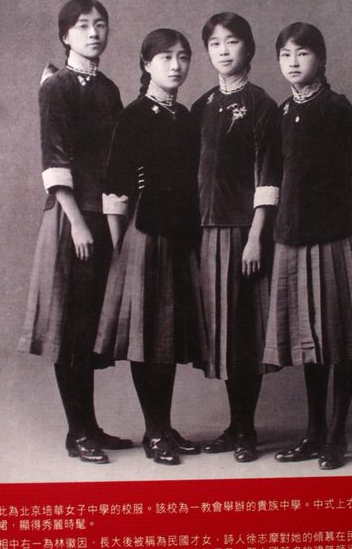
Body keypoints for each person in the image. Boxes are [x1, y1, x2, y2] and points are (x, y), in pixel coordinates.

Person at [264, 22, 352, 469]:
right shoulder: (282, 113)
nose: (293, 63)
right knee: (309, 339)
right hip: (293, 241)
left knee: (339, 340)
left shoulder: (338, 110)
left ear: (320, 58)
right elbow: (275, 179)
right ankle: (314, 433)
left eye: (302, 54)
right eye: (285, 55)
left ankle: (336, 436)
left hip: (338, 240)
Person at [19, 0, 132, 464]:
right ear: (66, 35)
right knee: (71, 324)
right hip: (71, 220)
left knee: (90, 325)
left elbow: (117, 161)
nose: (93, 33)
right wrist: (78, 222)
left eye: (100, 25)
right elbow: (55, 157)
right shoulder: (57, 87)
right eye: (83, 26)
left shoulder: (108, 89)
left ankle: (92, 427)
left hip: (102, 217)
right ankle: (76, 433)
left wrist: (115, 220)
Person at [95, 28, 204, 466]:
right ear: (146, 65)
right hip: (144, 234)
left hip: (181, 237)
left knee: (169, 335)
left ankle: (165, 425)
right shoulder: (135, 115)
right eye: (164, 58)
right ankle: (153, 430)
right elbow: (116, 182)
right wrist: (120, 244)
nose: (175, 65)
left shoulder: (187, 117)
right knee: (147, 336)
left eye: (182, 57)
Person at [191, 12, 279, 463]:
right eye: (215, 44)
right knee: (223, 332)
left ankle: (246, 430)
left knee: (245, 332)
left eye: (232, 42)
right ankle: (234, 425)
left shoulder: (263, 105)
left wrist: (256, 236)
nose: (224, 51)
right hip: (206, 233)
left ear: (250, 48)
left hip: (245, 234)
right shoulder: (201, 105)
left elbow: (268, 176)